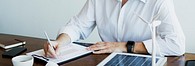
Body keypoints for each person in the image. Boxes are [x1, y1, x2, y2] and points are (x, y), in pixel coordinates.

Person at [44, 0, 185, 58]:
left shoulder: (160, 2)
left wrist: (124, 46)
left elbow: (176, 44)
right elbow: (78, 25)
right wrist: (60, 42)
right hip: (106, 60)